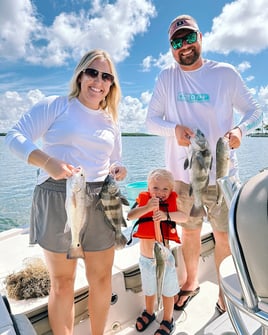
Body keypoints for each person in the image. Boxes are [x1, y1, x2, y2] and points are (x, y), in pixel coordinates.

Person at [146, 14, 262, 314]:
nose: (183, 46)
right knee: (190, 232)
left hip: (222, 175)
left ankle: (226, 293)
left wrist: (240, 130)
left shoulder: (225, 73)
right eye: (176, 41)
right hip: (182, 178)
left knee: (225, 235)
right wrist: (173, 129)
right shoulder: (165, 78)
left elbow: (254, 111)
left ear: (200, 37)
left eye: (188, 38)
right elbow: (150, 121)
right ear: (171, 48)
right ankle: (190, 283)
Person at [5, 49, 127, 335]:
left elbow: (115, 158)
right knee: (62, 282)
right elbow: (14, 136)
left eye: (106, 76)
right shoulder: (55, 105)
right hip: (57, 195)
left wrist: (119, 168)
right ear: (80, 75)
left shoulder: (111, 120)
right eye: (92, 72)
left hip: (101, 200)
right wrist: (47, 161)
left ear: (112, 84)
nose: (98, 81)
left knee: (101, 279)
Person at [127, 169, 187, 335]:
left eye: (165, 189)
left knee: (167, 291)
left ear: (171, 190)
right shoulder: (144, 201)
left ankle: (168, 319)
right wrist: (146, 208)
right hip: (146, 259)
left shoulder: (170, 205)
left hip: (165, 261)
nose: (160, 193)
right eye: (155, 188)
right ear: (148, 188)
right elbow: (130, 216)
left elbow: (184, 217)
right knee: (149, 289)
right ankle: (149, 312)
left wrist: (166, 215)